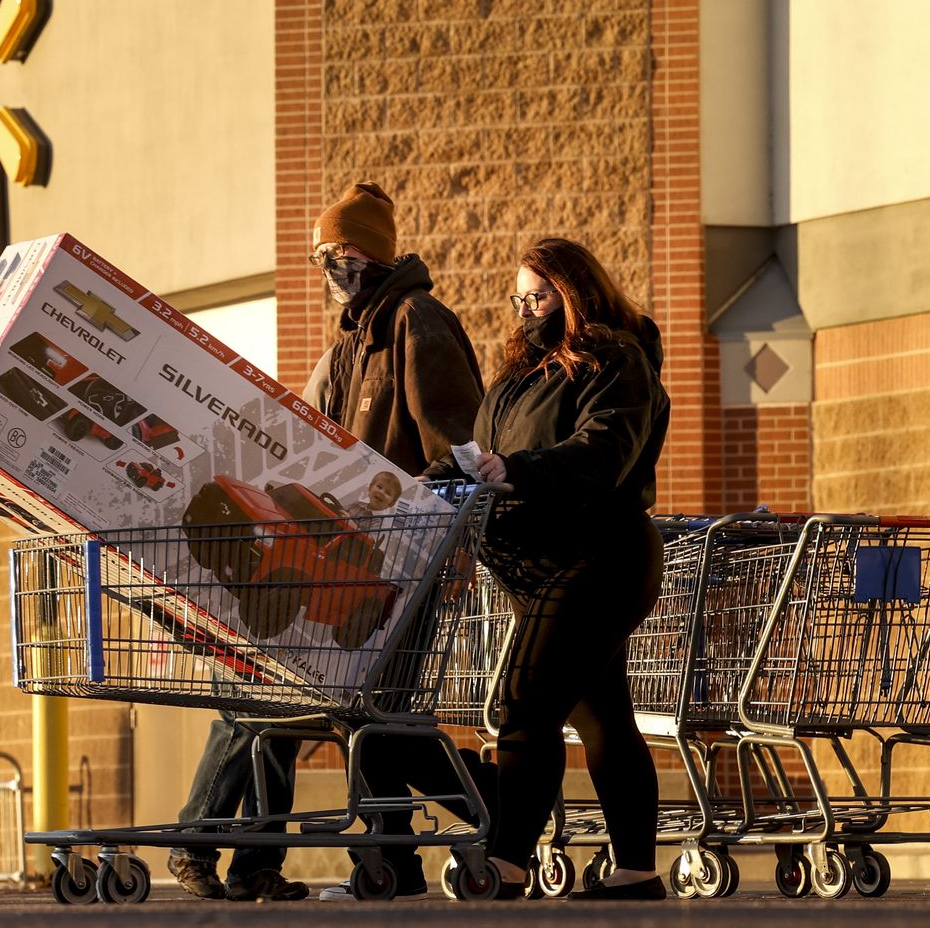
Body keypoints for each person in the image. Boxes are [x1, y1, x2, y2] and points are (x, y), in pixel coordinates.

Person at [167, 182, 485, 902]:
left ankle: (486, 812)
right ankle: (366, 860)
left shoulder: (415, 322)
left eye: (333, 252)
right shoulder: (351, 339)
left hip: (395, 561)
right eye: (320, 255)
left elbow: (458, 444)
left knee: (332, 709)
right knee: (345, 711)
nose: (325, 266)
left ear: (366, 251)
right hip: (340, 557)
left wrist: (446, 536)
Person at [438, 236, 670, 901]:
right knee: (602, 717)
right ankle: (636, 872)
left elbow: (603, 450)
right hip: (532, 562)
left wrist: (519, 469)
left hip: (599, 555)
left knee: (524, 701)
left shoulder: (616, 360)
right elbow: (483, 452)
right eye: (519, 298)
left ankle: (506, 864)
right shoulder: (517, 375)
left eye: (538, 296)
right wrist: (427, 480)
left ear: (574, 292)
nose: (526, 310)